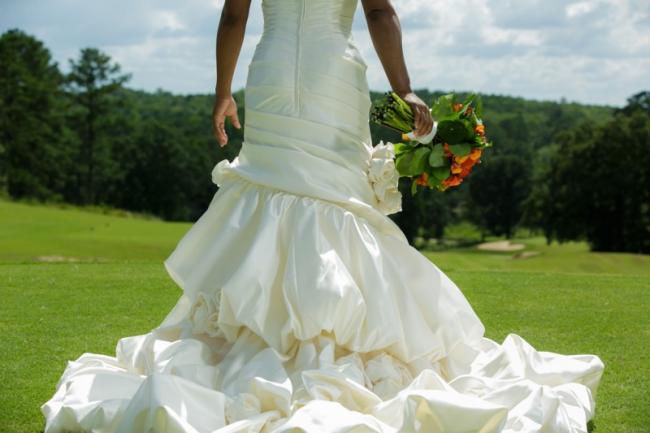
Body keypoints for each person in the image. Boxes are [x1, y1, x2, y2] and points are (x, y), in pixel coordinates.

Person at [41, 1, 605, 432]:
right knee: (336, 200)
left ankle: (263, 327)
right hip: (331, 74)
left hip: (269, 72)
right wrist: (404, 91)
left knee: (277, 192)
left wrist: (221, 93)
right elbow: (379, 10)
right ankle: (333, 326)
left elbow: (234, 14)